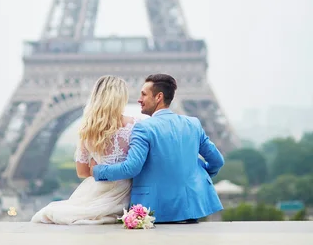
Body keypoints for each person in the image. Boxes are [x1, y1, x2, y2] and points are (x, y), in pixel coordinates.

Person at [92, 73, 225, 223]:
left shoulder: (143, 128)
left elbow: (131, 168)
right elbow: (217, 161)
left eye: (143, 94)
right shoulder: (193, 124)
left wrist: (97, 170)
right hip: (189, 207)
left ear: (158, 97)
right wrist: (197, 175)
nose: (139, 99)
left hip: (154, 209)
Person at [31, 75, 136, 225]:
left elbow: (82, 172)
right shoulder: (134, 125)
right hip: (125, 191)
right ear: (121, 97)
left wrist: (96, 163)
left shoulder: (89, 129)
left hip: (98, 190)